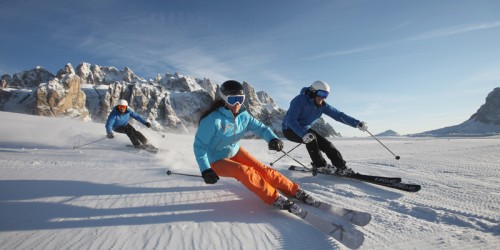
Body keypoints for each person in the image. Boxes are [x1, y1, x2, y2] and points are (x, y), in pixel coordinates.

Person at [193, 80, 315, 215]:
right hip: (215, 159)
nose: (237, 104)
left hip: (234, 150)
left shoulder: (243, 116)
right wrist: (206, 170)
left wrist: (273, 138)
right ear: (224, 99)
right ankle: (274, 197)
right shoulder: (212, 120)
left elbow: (261, 128)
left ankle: (293, 190)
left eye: (241, 99)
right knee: (245, 171)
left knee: (263, 170)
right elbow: (199, 146)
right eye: (233, 100)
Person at [282, 80, 368, 175]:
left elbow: (338, 115)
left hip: (306, 129)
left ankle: (341, 167)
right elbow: (291, 121)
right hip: (289, 129)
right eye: (321, 93)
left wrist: (357, 123)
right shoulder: (299, 100)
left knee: (327, 144)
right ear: (313, 91)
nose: (322, 97)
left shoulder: (322, 105)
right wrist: (303, 134)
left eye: (325, 95)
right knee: (312, 139)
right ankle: (320, 166)